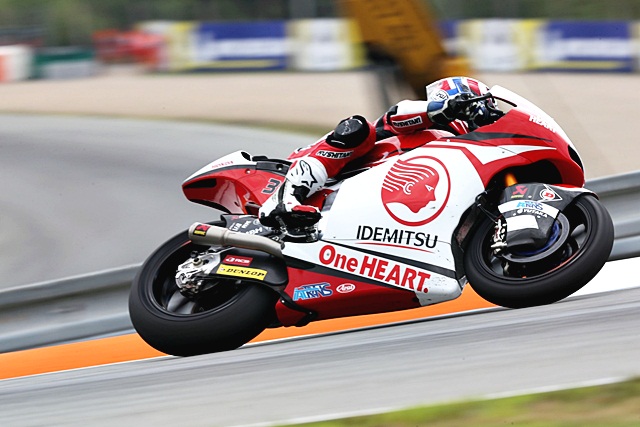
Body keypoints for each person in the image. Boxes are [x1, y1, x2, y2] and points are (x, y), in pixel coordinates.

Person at [259, 76, 502, 230]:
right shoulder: (429, 122)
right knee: (359, 128)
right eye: (489, 107)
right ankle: (284, 198)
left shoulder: (463, 152)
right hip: (321, 174)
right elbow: (396, 114)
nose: (492, 116)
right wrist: (444, 108)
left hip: (366, 208)